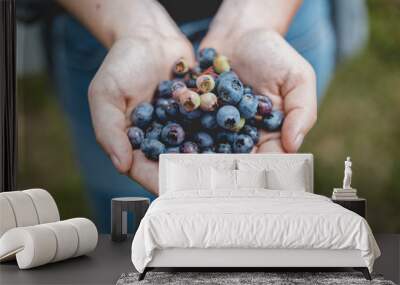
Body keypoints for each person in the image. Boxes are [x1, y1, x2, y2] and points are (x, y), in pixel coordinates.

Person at [27, 0, 353, 232]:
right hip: (100, 25)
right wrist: (127, 20)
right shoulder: (180, 111)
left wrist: (258, 15)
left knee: (257, 222)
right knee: (127, 217)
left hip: (280, 16)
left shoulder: (230, 104)